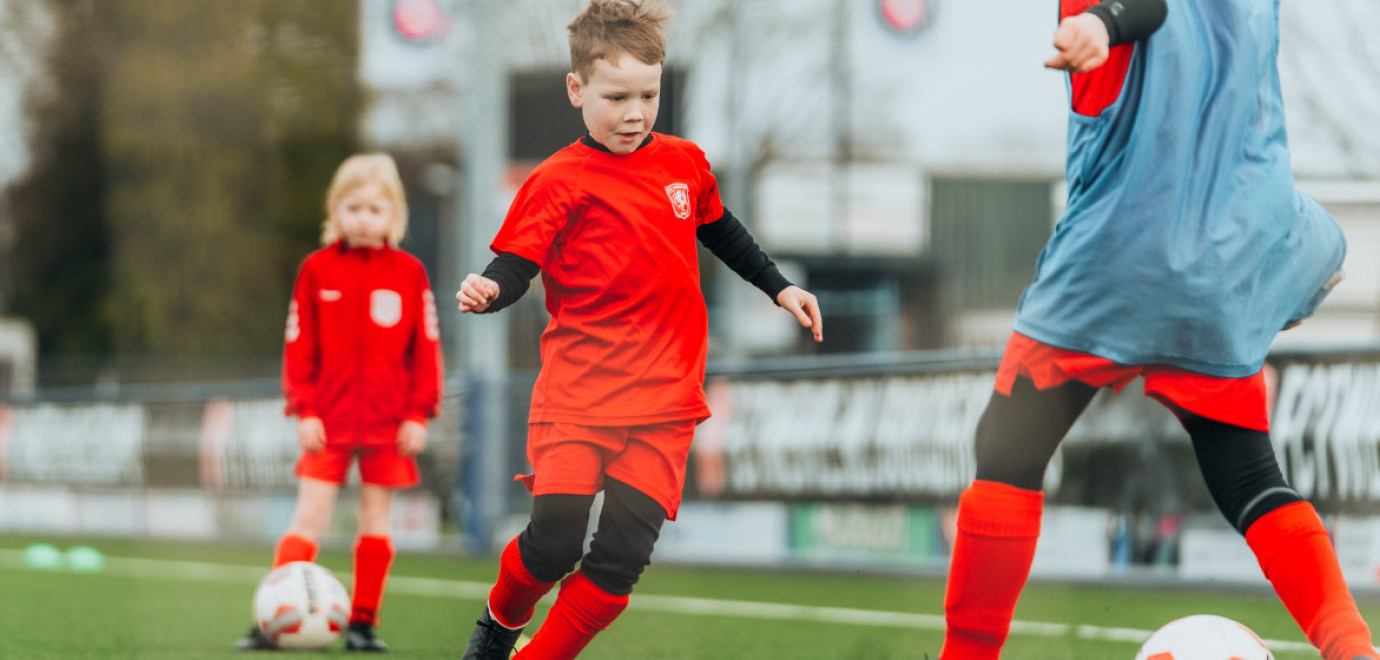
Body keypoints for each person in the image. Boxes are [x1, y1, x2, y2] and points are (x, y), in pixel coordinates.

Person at [938, 1, 1377, 658]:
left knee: (1006, 453)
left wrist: (1102, 24)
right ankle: (1354, 650)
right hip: (1228, 262)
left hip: (1116, 257)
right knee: (1251, 478)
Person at [453, 1, 823, 658]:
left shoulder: (683, 163)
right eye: (616, 96)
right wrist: (490, 288)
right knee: (555, 543)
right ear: (577, 90)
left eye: (649, 95)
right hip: (580, 395)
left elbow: (720, 229)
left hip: (664, 403)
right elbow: (518, 262)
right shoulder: (558, 180)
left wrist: (780, 285)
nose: (634, 112)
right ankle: (497, 626)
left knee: (620, 559)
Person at [237, 153, 444, 652]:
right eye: (353, 208)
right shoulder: (316, 270)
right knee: (308, 518)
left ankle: (362, 623)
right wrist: (304, 409)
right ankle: (275, 618)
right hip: (325, 424)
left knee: (376, 521)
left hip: (389, 425)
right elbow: (298, 347)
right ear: (335, 210)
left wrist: (419, 413)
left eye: (375, 209)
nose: (364, 218)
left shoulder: (410, 273)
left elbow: (427, 351)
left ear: (393, 214)